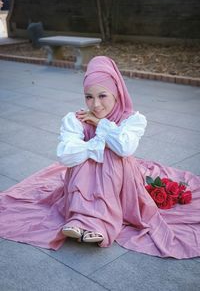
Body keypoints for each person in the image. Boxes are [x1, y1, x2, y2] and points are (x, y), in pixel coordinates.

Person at [0, 56, 200, 259]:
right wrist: (94, 146)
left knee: (111, 159)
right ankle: (80, 219)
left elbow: (124, 147)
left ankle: (102, 223)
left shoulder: (132, 119)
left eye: (102, 95)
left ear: (116, 94)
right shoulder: (76, 118)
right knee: (84, 161)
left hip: (120, 180)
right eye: (89, 97)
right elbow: (67, 155)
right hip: (83, 177)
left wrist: (100, 124)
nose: (95, 104)